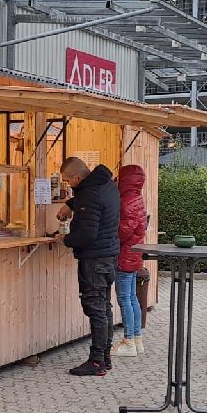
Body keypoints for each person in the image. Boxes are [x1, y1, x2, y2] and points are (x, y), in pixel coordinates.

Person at [56, 157, 121, 376]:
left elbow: (86, 234)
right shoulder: (106, 184)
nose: (67, 185)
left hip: (95, 259)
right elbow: (93, 203)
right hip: (109, 254)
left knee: (96, 308)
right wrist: (71, 204)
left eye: (67, 180)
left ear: (78, 177)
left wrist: (65, 239)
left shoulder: (89, 194)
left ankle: (96, 362)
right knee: (104, 306)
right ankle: (105, 356)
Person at [110, 165, 147, 358]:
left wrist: (110, 234)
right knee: (133, 298)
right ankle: (137, 339)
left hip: (124, 254)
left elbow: (124, 231)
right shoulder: (138, 198)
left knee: (125, 299)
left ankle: (128, 342)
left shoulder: (126, 201)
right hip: (134, 253)